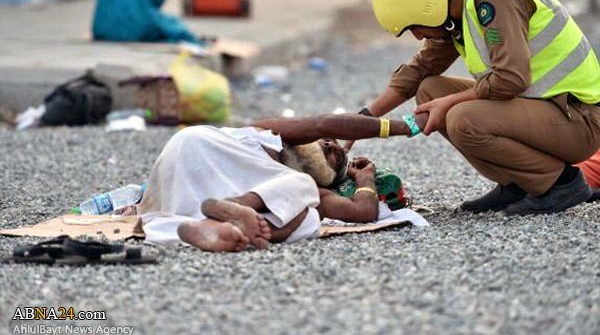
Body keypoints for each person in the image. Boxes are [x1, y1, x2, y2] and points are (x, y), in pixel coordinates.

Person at [346, 0, 600, 216]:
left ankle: (561, 184)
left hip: (579, 119)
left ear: (428, 5)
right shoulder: (459, 10)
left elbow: (511, 79)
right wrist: (364, 119)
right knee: (430, 89)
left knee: (461, 118)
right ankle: (519, 184)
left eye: (414, 27)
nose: (417, 35)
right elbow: (420, 70)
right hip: (545, 109)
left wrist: (449, 103)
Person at [138, 113, 427, 252]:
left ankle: (215, 229)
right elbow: (323, 125)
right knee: (304, 196)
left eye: (335, 156)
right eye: (326, 143)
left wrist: (365, 180)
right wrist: (403, 126)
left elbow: (364, 212)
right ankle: (237, 208)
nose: (329, 143)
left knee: (307, 216)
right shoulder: (270, 136)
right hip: (197, 147)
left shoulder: (307, 188)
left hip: (197, 198)